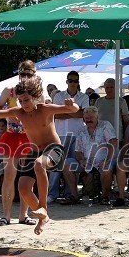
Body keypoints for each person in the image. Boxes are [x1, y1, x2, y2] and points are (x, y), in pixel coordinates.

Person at [0, 76, 79, 235]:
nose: (23, 104)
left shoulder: (45, 108)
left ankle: (43, 208)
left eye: (26, 100)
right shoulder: (19, 112)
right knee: (23, 188)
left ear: (35, 97)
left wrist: (71, 105)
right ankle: (41, 216)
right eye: (20, 101)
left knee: (39, 164)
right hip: (34, 150)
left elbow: (74, 110)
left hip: (53, 148)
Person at [0, 60, 37, 227]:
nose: (24, 77)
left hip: (29, 137)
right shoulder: (9, 91)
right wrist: (10, 113)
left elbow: (44, 110)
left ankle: (23, 215)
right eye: (22, 74)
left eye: (28, 75)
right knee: (9, 176)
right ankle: (6, 216)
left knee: (27, 177)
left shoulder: (37, 92)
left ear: (33, 75)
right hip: (12, 136)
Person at [61, 106, 117, 206]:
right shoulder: (81, 130)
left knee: (106, 168)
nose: (89, 120)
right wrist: (81, 160)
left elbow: (113, 142)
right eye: (86, 118)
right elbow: (78, 151)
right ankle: (74, 195)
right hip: (87, 162)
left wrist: (107, 160)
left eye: (91, 117)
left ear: (97, 117)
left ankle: (105, 197)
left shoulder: (105, 125)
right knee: (66, 164)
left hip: (104, 160)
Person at [47, 70, 88, 204]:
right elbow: (55, 114)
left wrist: (66, 110)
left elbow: (84, 114)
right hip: (60, 135)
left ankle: (70, 193)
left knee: (71, 166)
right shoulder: (59, 96)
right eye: (71, 80)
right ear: (66, 81)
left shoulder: (84, 97)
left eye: (75, 81)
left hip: (77, 135)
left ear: (78, 82)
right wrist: (74, 111)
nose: (73, 83)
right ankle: (52, 194)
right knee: (55, 165)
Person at [95, 77, 129, 144]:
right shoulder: (98, 101)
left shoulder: (121, 101)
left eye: (111, 87)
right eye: (107, 87)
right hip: (100, 137)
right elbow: (94, 118)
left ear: (116, 88)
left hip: (116, 136)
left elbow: (126, 121)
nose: (109, 90)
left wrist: (126, 137)